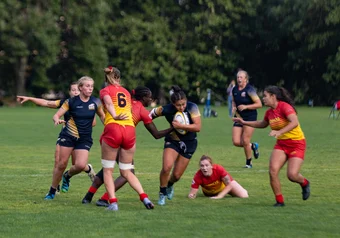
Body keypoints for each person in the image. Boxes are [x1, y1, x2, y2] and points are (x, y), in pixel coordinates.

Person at [81, 86, 173, 206]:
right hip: (122, 138)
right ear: (143, 97)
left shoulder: (127, 101)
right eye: (149, 97)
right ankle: (105, 199)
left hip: (108, 135)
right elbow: (156, 134)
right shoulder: (141, 110)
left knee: (106, 169)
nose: (150, 99)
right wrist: (173, 128)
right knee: (128, 173)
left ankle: (88, 196)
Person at [233, 85, 310, 206]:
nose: (263, 99)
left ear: (273, 97)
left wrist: (279, 132)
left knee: (292, 175)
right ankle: (279, 201)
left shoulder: (285, 107)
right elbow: (262, 124)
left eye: (265, 96)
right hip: (281, 144)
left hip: (297, 144)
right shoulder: (269, 112)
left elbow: (294, 122)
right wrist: (244, 122)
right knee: (273, 171)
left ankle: (304, 183)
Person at [16, 83, 96, 185]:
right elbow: (46, 103)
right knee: (58, 161)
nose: (75, 92)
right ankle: (55, 187)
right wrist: (29, 98)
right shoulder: (65, 103)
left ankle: (88, 169)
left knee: (78, 165)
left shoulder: (90, 105)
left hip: (80, 138)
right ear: (69, 92)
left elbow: (93, 123)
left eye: (77, 90)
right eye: (73, 90)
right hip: (66, 136)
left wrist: (80, 123)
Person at [99, 66, 154, 211]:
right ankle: (145, 198)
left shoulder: (105, 90)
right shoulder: (126, 92)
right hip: (129, 130)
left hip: (114, 128)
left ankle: (113, 203)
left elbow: (109, 103)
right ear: (119, 78)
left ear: (107, 78)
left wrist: (115, 115)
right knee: (126, 171)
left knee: (108, 170)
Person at [44, 76, 105, 200]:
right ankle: (52, 190)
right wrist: (56, 119)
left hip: (84, 139)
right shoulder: (70, 102)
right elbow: (57, 114)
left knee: (81, 165)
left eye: (92, 86)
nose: (90, 88)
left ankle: (67, 176)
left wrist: (112, 127)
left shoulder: (96, 102)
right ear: (80, 88)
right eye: (87, 86)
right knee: (61, 164)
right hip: (68, 136)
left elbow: (103, 117)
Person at [150, 85, 201, 206]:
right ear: (173, 104)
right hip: (173, 140)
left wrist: (180, 126)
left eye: (183, 104)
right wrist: (155, 131)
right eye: (179, 105)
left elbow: (198, 127)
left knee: (177, 175)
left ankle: (170, 185)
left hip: (189, 143)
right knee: (167, 167)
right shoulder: (166, 109)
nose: (182, 107)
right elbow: (149, 115)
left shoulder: (192, 107)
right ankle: (162, 193)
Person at [232, 70, 262, 168]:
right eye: (238, 77)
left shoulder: (250, 90)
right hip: (239, 117)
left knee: (245, 140)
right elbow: (234, 101)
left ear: (246, 79)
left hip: (250, 118)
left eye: (241, 77)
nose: (239, 79)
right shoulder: (234, 89)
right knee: (236, 142)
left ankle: (249, 163)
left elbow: (259, 104)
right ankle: (253, 146)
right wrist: (233, 107)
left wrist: (246, 107)